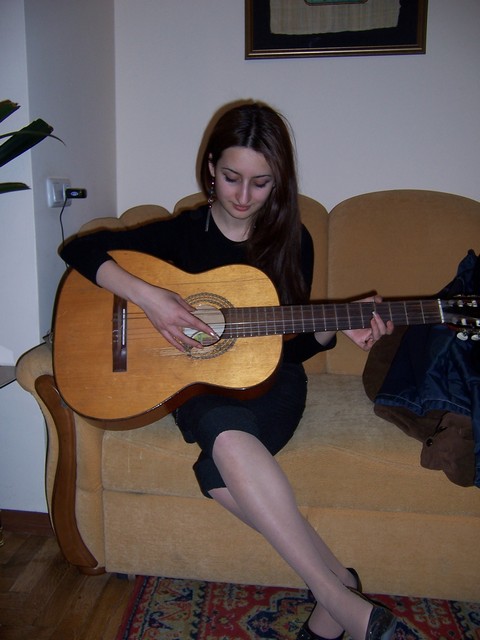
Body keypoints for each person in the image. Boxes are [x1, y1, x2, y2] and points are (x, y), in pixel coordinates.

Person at [60, 101, 397, 640]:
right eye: (232, 178)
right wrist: (151, 298)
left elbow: (293, 349)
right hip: (197, 386)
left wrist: (333, 328)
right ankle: (336, 590)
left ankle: (337, 593)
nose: (243, 196)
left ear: (278, 182)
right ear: (211, 168)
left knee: (216, 474)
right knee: (219, 427)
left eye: (260, 183)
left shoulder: (293, 241)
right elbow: (80, 250)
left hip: (272, 383)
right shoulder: (182, 234)